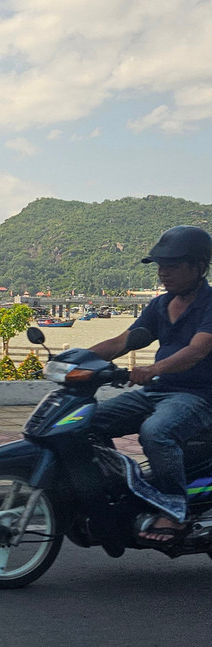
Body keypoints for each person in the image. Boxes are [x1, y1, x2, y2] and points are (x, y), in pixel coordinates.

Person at [89, 225, 212, 545]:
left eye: (172, 265)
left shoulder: (211, 304)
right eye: (160, 266)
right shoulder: (160, 306)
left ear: (199, 267)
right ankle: (116, 492)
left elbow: (197, 351)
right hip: (157, 392)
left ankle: (174, 510)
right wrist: (76, 358)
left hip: (196, 396)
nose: (163, 273)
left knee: (157, 432)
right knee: (90, 422)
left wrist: (154, 368)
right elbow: (127, 340)